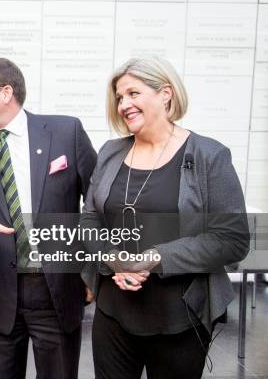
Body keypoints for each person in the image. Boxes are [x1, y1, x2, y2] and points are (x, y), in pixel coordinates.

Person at [80, 56, 250, 379]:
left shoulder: (209, 156)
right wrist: (114, 258)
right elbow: (89, 220)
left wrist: (154, 258)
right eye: (119, 97)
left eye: (133, 93)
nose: (123, 104)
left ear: (166, 94)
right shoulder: (110, 152)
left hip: (179, 320)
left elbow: (232, 239)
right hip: (113, 315)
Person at [0, 57, 96, 379]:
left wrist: (92, 269)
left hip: (57, 288)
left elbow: (98, 201)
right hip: (1, 293)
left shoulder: (65, 131)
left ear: (6, 92)